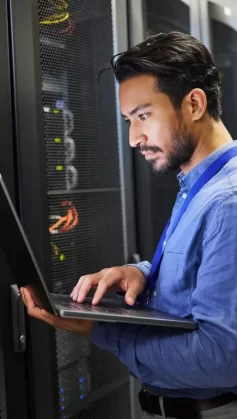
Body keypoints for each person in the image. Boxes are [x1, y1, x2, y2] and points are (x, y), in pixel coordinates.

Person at [21, 31, 237, 419]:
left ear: (194, 103)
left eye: (143, 115)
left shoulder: (228, 201)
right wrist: (141, 273)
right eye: (128, 120)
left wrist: (100, 330)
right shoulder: (200, 185)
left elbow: (223, 356)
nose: (135, 138)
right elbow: (202, 270)